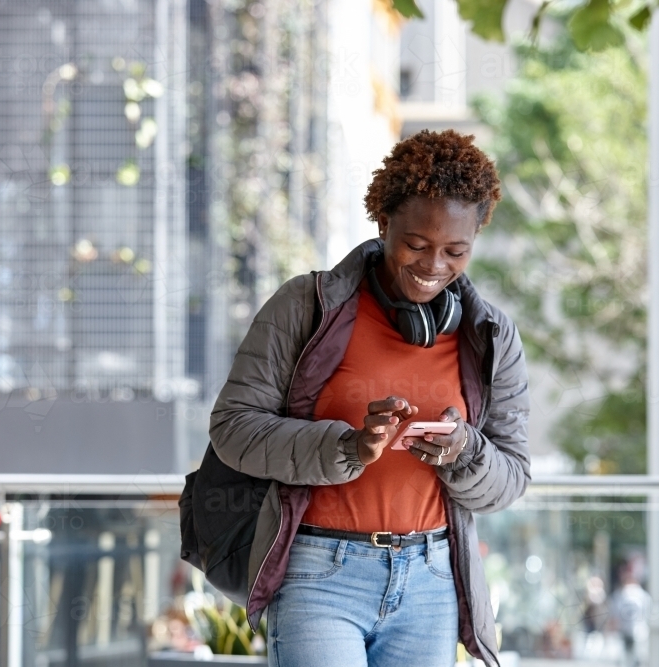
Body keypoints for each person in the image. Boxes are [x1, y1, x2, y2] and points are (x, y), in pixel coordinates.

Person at [209, 129, 531, 667]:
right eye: (416, 244)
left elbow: (512, 475)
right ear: (383, 224)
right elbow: (234, 428)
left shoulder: (491, 336)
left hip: (431, 581)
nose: (434, 265)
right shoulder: (306, 306)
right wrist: (349, 447)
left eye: (456, 250)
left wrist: (464, 451)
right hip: (319, 572)